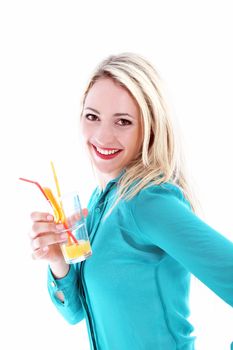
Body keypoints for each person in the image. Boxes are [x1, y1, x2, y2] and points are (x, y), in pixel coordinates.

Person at [29, 52, 233, 350]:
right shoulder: (102, 201)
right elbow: (76, 313)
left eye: (123, 121)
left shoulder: (146, 202)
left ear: (149, 127)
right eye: (92, 116)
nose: (102, 135)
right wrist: (58, 262)